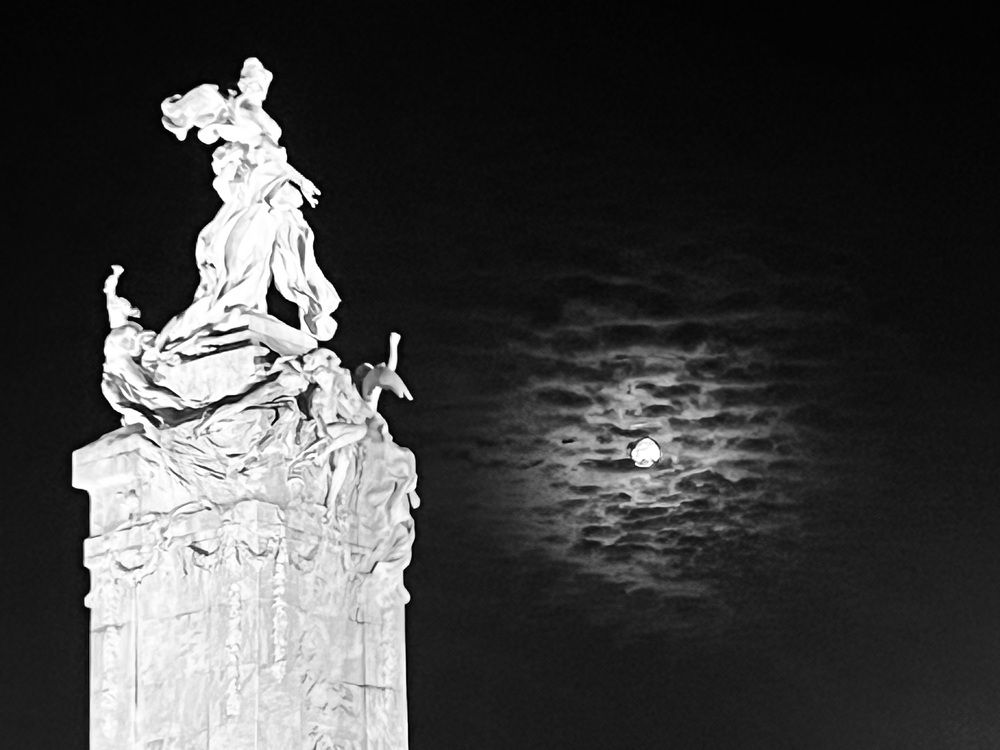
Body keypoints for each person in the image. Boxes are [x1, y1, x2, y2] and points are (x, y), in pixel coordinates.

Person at [158, 58, 340, 349]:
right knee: (237, 249)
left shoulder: (251, 116)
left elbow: (275, 158)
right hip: (253, 193)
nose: (257, 89)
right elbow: (257, 147)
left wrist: (302, 181)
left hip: (266, 190)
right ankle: (233, 306)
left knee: (271, 247)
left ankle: (243, 305)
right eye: (252, 83)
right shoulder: (238, 109)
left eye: (261, 85)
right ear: (243, 84)